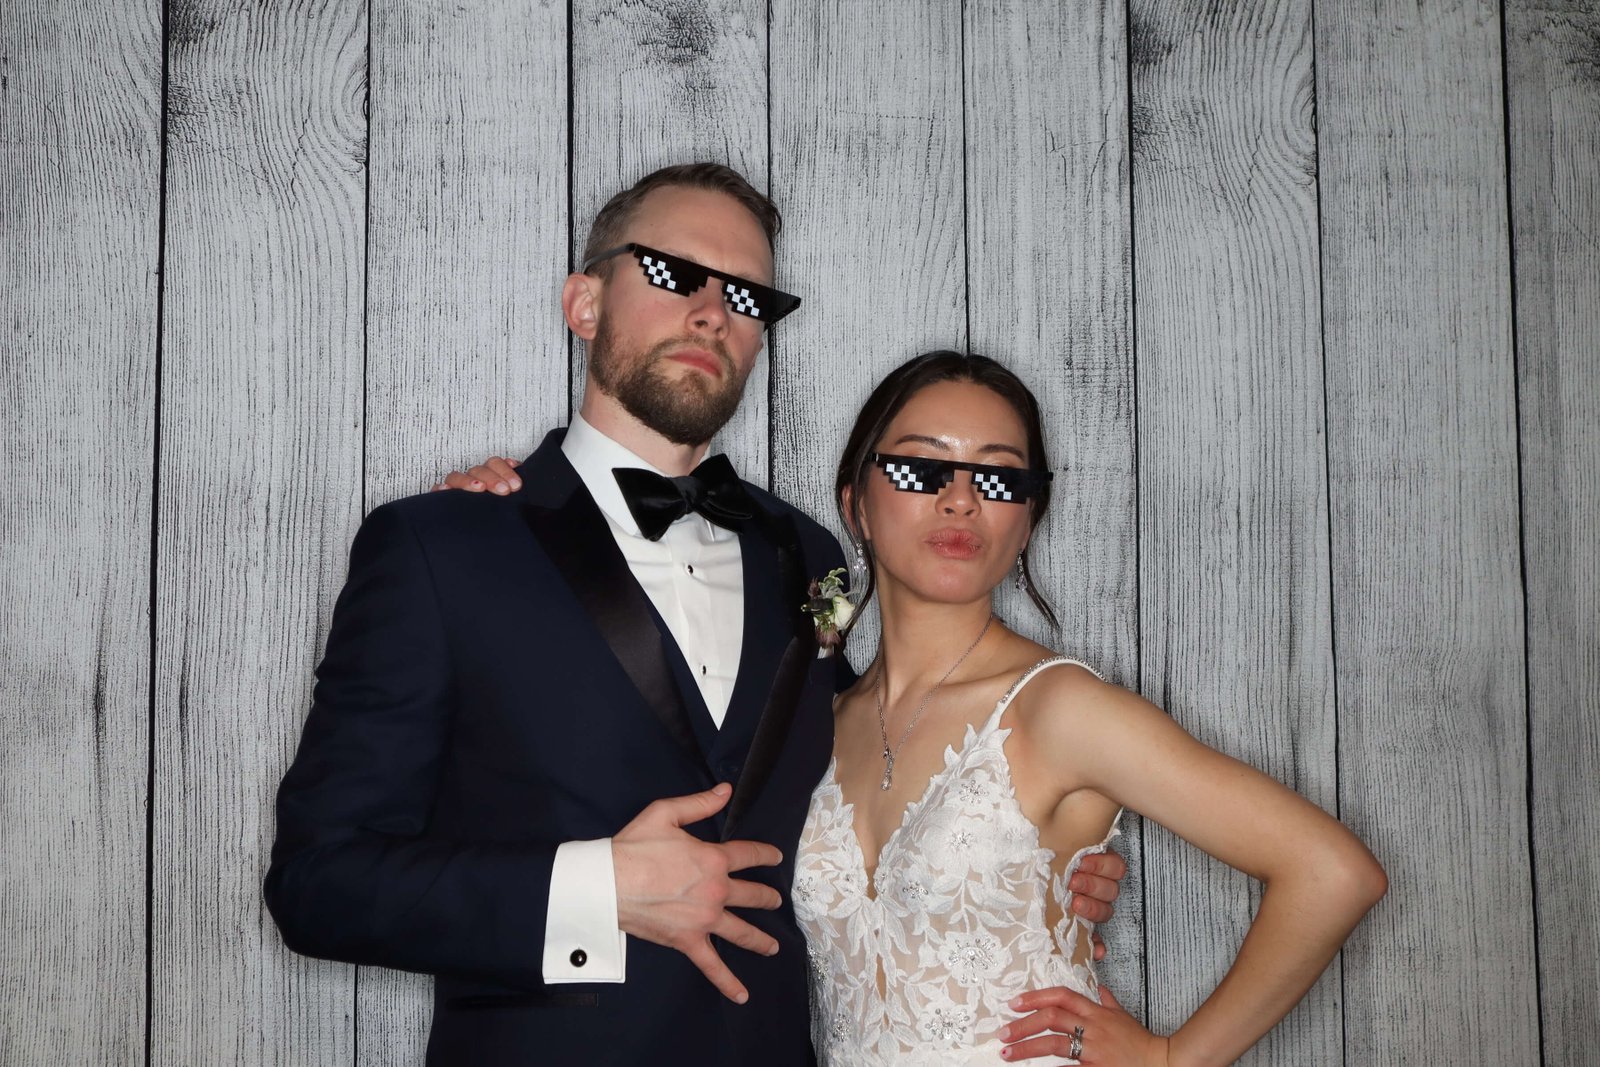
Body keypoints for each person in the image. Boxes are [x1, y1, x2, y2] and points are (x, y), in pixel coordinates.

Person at [264, 164, 1126, 1066]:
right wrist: (598, 888)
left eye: (746, 295)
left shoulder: (809, 555)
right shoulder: (443, 546)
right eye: (676, 274)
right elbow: (318, 883)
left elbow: (867, 772)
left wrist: (1019, 861)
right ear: (584, 303)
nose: (714, 311)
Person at [446, 351, 1387, 1065]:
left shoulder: (1061, 708)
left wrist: (1176, 1059)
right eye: (920, 468)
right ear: (856, 500)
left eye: (999, 476)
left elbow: (1330, 870)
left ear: (1026, 519)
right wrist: (508, 519)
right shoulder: (819, 706)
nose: (959, 499)